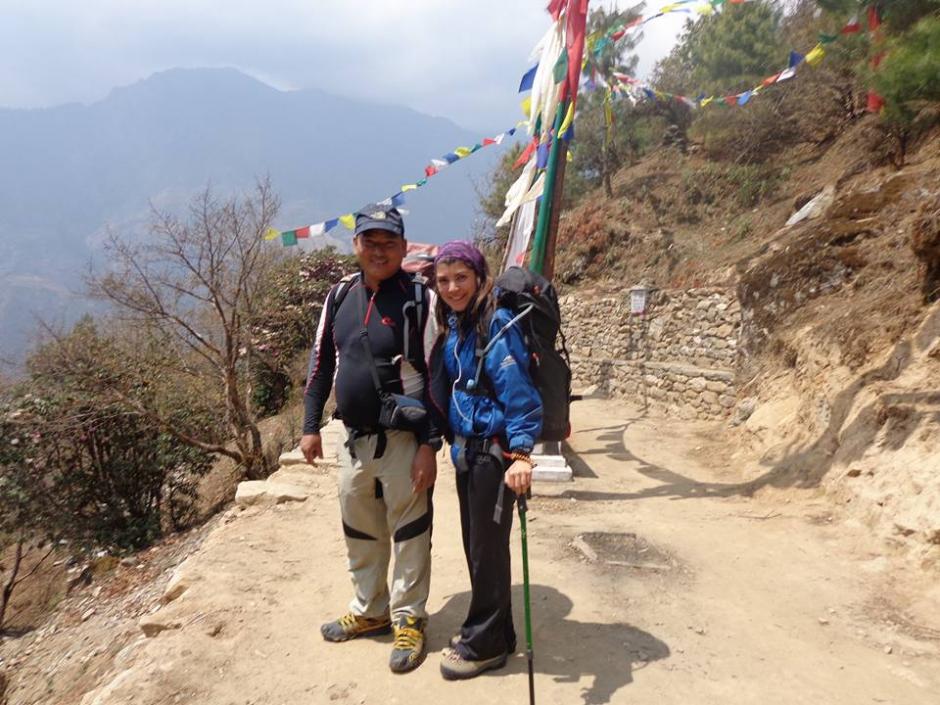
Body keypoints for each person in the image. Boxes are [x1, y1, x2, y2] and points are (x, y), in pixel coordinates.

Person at [300, 204, 441, 674]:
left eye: (389, 243)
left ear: (403, 248)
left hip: (404, 441)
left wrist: (429, 444)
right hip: (353, 441)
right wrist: (309, 425)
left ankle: (408, 618)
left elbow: (436, 375)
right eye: (370, 242)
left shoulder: (418, 300)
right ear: (355, 245)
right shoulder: (339, 296)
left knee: (409, 531)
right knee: (360, 528)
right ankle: (370, 609)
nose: (378, 251)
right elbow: (322, 363)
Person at [428, 240, 542, 680]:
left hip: (494, 458)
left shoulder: (494, 324)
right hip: (469, 456)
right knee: (481, 550)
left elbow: (520, 394)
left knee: (485, 553)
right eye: (444, 280)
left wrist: (522, 454)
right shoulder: (459, 323)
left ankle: (484, 644)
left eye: (461, 277)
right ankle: (501, 633)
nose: (453, 287)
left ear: (479, 276)